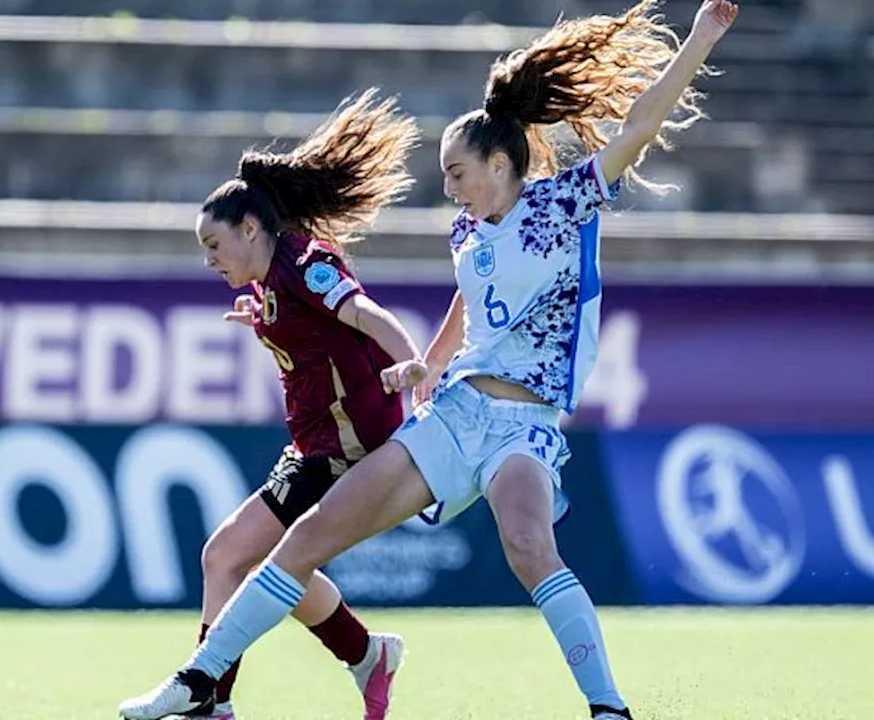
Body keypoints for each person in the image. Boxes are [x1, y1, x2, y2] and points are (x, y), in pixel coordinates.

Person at [119, 1, 739, 719]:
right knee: (309, 536)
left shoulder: (567, 202)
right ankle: (200, 681)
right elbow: (467, 302)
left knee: (529, 546)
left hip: (523, 424)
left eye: (456, 173)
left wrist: (702, 36)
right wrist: (430, 364)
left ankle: (608, 708)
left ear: (500, 163)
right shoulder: (466, 231)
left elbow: (639, 126)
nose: (449, 189)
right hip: (455, 413)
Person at [183, 88, 425, 720]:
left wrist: (409, 362)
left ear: (251, 228)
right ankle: (365, 653)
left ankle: (208, 702)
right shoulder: (271, 283)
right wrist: (263, 321)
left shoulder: (305, 263)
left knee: (226, 556)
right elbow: (309, 333)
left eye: (214, 245)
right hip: (315, 447)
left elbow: (366, 314)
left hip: (345, 449)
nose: (209, 260)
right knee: (262, 561)